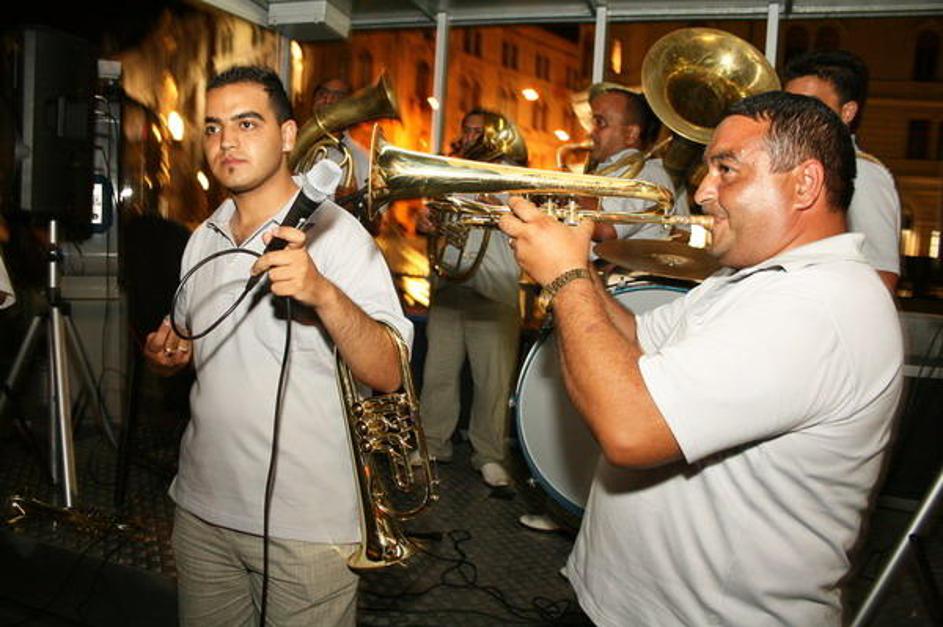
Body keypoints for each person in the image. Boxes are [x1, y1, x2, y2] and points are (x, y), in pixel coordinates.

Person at [499, 91, 903, 625]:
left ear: (804, 184)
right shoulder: (751, 280)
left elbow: (629, 430)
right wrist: (576, 262)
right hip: (630, 607)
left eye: (726, 169)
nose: (703, 190)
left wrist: (566, 278)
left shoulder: (818, 306)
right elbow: (636, 336)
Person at [142, 65, 411, 626]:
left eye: (247, 123)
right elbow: (187, 345)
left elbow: (389, 372)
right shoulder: (203, 237)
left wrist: (324, 295)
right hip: (201, 509)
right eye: (213, 127)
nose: (227, 141)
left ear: (288, 135)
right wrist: (168, 358)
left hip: (307, 528)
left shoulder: (339, 236)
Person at [416, 109, 523, 488]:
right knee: (437, 374)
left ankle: (489, 455)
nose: (472, 136)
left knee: (492, 381)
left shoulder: (514, 175)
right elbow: (431, 222)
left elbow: (523, 223)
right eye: (468, 130)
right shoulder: (452, 170)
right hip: (450, 285)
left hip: (493, 286)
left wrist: (489, 200)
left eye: (480, 131)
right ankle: (433, 444)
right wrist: (426, 222)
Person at [784, 50, 902, 293]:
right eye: (788, 107)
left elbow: (883, 276)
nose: (793, 118)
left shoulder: (862, 172)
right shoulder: (799, 164)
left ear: (847, 112)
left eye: (810, 107)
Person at [584, 83, 686, 244]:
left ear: (631, 134)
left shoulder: (648, 174)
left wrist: (567, 192)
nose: (590, 132)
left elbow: (606, 230)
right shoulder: (607, 169)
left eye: (600, 122)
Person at [311, 78, 371, 193]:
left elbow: (371, 203)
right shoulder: (290, 144)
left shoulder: (362, 159)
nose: (328, 100)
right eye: (322, 93)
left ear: (349, 108)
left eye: (338, 97)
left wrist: (353, 201)